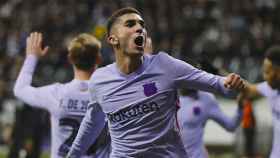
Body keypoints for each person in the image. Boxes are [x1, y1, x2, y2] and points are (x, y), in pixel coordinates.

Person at [67, 7, 245, 158]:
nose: (139, 28)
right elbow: (92, 123)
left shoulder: (165, 66)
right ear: (113, 39)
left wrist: (228, 83)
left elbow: (214, 82)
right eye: (130, 24)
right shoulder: (99, 80)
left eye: (142, 25)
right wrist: (73, 155)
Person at [13, 32, 109, 158]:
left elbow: (20, 89)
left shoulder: (56, 93)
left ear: (70, 58)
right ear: (98, 59)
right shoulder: (110, 94)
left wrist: (32, 57)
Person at [242, 46, 280, 158]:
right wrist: (217, 74)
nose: (264, 76)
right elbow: (247, 89)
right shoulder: (270, 88)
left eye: (267, 72)